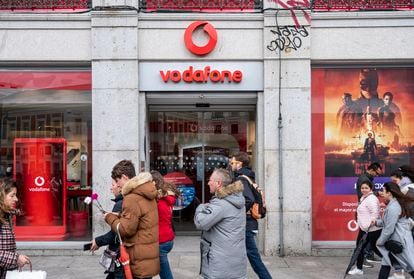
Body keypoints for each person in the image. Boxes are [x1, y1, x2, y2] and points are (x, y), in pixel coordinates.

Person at [104, 160, 160, 279]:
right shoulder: (146, 193)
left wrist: (109, 217)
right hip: (147, 258)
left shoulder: (131, 198)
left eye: (118, 181)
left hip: (136, 260)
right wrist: (120, 216)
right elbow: (141, 221)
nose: (117, 185)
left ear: (124, 177)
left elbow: (125, 230)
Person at [194, 168, 246, 279]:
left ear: (218, 183)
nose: (208, 183)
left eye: (210, 180)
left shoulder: (220, 204)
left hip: (220, 264)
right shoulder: (237, 199)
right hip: (236, 260)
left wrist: (200, 207)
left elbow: (201, 223)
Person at [230, 152, 272, 279]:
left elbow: (248, 199)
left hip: (247, 224)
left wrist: (238, 215)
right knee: (240, 256)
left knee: (254, 259)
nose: (231, 165)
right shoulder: (248, 177)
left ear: (239, 164)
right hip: (249, 223)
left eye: (232, 163)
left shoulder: (241, 179)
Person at [374, 182, 414, 279]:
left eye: (384, 191)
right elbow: (388, 222)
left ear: (389, 193)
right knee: (386, 263)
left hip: (399, 242)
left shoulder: (393, 207)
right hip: (396, 241)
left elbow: (389, 229)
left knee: (411, 267)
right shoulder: (395, 204)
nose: (382, 193)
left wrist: (379, 242)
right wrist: (377, 222)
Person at [90, 178, 124, 279]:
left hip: (120, 253)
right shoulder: (122, 202)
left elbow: (117, 233)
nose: (111, 188)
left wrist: (98, 241)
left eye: (113, 185)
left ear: (120, 186)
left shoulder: (120, 204)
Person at [348, 181, 383, 276]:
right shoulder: (364, 197)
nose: (364, 189)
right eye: (362, 188)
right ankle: (359, 268)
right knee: (359, 248)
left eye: (366, 188)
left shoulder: (371, 198)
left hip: (372, 229)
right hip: (364, 229)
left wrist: (372, 221)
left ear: (371, 188)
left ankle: (396, 264)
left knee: (377, 249)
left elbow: (375, 212)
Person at [150, 170, 180, 279]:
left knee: (166, 276)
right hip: (167, 238)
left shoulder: (159, 201)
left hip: (160, 241)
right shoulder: (167, 196)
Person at [0, 178, 31, 279]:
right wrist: (16, 258)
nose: (16, 199)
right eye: (12, 195)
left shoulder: (6, 215)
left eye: (16, 195)